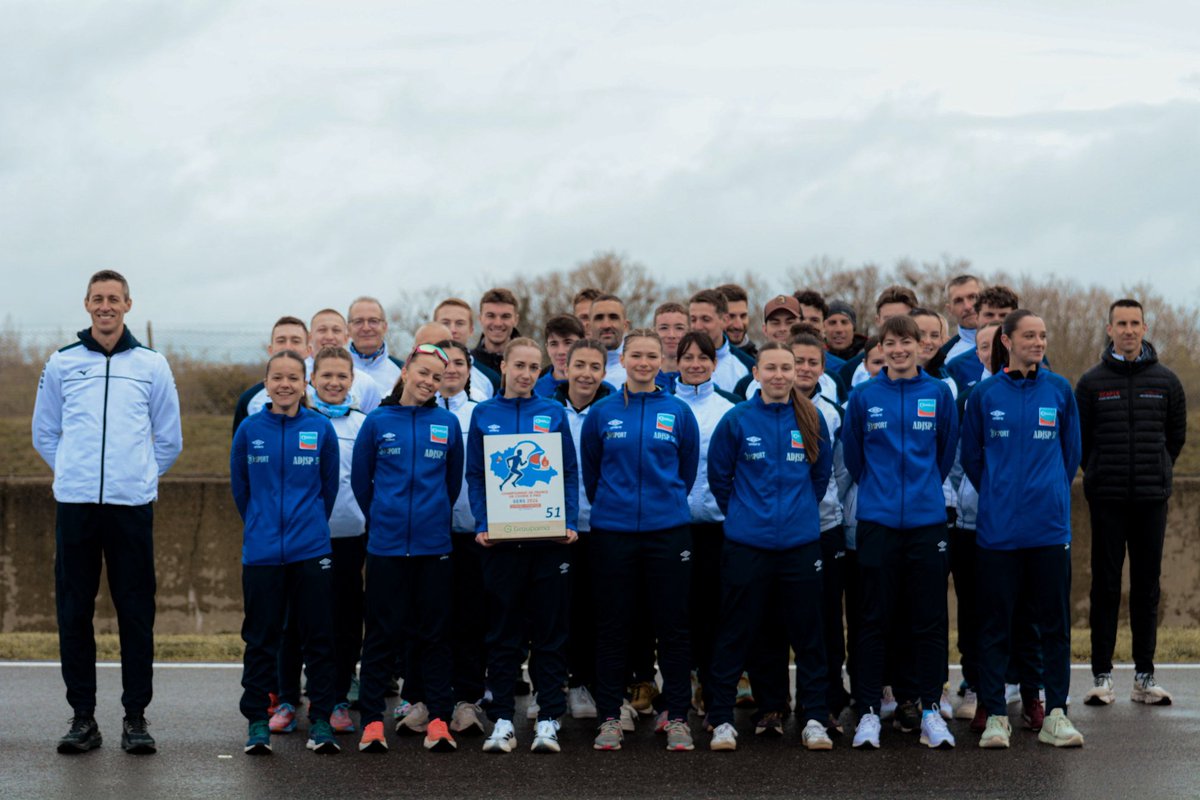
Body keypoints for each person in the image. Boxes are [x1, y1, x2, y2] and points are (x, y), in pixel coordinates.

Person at [32, 269, 183, 755]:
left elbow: (169, 440)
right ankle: (82, 718)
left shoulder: (152, 365)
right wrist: (74, 474)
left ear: (128, 305)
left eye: (113, 299)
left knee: (136, 614)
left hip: (130, 508)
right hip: (76, 507)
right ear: (86, 304)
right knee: (73, 613)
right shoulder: (61, 363)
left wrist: (136, 478)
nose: (105, 306)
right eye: (98, 299)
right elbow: (45, 433)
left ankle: (135, 718)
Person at [961, 310, 1084, 748]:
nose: (1038, 341)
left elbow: (1070, 456)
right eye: (1029, 335)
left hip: (1049, 530)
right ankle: (996, 715)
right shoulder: (984, 394)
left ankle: (1056, 714)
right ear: (1007, 342)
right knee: (995, 625)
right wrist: (999, 493)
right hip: (997, 533)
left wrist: (1046, 492)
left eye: (1043, 335)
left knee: (1053, 626)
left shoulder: (1060, 390)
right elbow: (973, 459)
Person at [705, 343, 834, 752]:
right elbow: (720, 479)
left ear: (796, 373)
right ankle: (722, 719)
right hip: (748, 545)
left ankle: (814, 718)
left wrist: (793, 518)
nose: (779, 375)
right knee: (734, 633)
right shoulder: (737, 420)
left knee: (809, 635)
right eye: (771, 368)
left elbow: (819, 478)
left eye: (786, 368)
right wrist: (748, 517)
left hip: (800, 545)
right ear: (756, 373)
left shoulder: (812, 418)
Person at [580, 330, 700, 752]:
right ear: (624, 360)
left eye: (651, 356)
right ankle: (610, 717)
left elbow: (684, 472)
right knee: (613, 627)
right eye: (637, 355)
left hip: (668, 532)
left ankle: (678, 717)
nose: (644, 362)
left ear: (660, 360)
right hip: (613, 533)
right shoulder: (601, 413)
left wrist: (660, 508)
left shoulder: (679, 412)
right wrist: (617, 508)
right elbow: (592, 475)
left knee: (673, 627)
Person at [842, 314, 958, 750]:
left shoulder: (938, 394)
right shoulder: (863, 397)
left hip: (928, 523)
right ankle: (870, 710)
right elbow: (855, 459)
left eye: (907, 342)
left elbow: (944, 454)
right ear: (882, 348)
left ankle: (930, 710)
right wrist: (883, 492)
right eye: (890, 343)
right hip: (878, 522)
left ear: (919, 346)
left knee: (929, 622)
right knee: (872, 619)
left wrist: (923, 489)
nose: (899, 350)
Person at [467, 338, 579, 754]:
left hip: (547, 542)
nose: (527, 373)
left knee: (550, 633)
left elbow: (567, 470)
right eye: (520, 365)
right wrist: (483, 522)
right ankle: (502, 722)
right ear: (504, 366)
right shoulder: (484, 413)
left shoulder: (552, 412)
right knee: (502, 635)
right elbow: (476, 475)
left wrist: (566, 521)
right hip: (500, 543)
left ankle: (549, 717)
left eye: (535, 367)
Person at [352, 343, 465, 754]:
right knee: (381, 637)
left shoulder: (447, 424)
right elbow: (360, 482)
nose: (429, 382)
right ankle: (372, 724)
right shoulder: (377, 422)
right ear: (405, 372)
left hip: (434, 546)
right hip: (386, 547)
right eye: (423, 373)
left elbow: (451, 486)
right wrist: (384, 517)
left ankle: (437, 719)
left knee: (435, 636)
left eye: (437, 377)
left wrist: (431, 518)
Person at [1076, 299, 1187, 706]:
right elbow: (1081, 442)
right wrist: (1101, 471)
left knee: (1146, 587)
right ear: (1109, 329)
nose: (1127, 329)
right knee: (1105, 586)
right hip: (1106, 499)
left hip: (1150, 500)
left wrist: (1155, 470)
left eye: (1134, 323)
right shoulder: (1090, 382)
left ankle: (1144, 675)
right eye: (1120, 323)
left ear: (1144, 328)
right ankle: (1102, 676)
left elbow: (1174, 439)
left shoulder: (1166, 381)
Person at [230, 349, 341, 756]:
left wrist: (307, 525)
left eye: (293, 377)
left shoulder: (321, 429)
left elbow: (327, 490)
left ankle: (323, 722)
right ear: (266, 382)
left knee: (319, 638)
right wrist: (261, 525)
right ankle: (258, 721)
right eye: (277, 377)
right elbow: (242, 490)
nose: (285, 384)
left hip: (310, 549)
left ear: (304, 383)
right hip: (261, 553)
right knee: (261, 639)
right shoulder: (248, 430)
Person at [268, 347, 370, 737]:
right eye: (326, 375)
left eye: (342, 376)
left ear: (352, 380)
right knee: (294, 622)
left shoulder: (364, 424)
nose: (334, 382)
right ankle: (289, 698)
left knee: (343, 621)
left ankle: (338, 696)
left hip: (350, 538)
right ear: (312, 379)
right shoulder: (301, 422)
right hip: (304, 538)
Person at [671, 332, 738, 720]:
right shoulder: (664, 405)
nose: (695, 363)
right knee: (678, 613)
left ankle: (715, 690)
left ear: (714, 363)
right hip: (673, 527)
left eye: (703, 357)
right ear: (676, 362)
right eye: (687, 356)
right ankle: (681, 690)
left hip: (718, 526)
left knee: (716, 611)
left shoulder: (729, 408)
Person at [555, 339, 614, 720]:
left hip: (601, 523)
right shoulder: (547, 409)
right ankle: (558, 685)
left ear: (605, 373)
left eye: (595, 366)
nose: (586, 374)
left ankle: (590, 685)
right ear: (564, 367)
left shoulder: (613, 409)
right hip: (553, 524)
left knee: (599, 609)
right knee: (558, 610)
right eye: (580, 365)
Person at [433, 339, 490, 736]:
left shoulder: (483, 415)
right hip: (427, 536)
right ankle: (426, 698)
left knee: (472, 620)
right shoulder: (417, 414)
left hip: (474, 534)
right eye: (443, 363)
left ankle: (467, 700)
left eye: (458, 362)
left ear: (470, 370)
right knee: (431, 619)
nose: (451, 369)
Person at [233, 313, 382, 436]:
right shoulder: (249, 399)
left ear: (308, 350)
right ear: (270, 349)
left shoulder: (322, 397)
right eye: (281, 340)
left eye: (296, 341)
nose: (288, 347)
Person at [838, 286, 919, 389]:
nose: (896, 325)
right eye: (888, 319)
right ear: (877, 320)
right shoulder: (850, 369)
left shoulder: (934, 364)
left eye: (903, 319)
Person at [943, 286, 1020, 394]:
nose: (996, 320)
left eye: (1003, 315)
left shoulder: (1030, 361)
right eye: (989, 315)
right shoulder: (956, 366)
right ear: (977, 317)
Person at [688, 289, 755, 394]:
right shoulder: (678, 362)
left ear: (725, 320)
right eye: (693, 320)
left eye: (706, 319)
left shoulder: (748, 366)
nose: (698, 326)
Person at [433, 297, 501, 399]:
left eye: (460, 323)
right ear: (434, 327)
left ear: (471, 329)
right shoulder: (417, 374)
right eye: (446, 323)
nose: (453, 329)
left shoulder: (490, 379)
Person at [347, 296, 405, 396]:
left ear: (385, 327)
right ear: (348, 328)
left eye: (373, 321)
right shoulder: (334, 370)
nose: (366, 328)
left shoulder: (403, 372)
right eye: (358, 321)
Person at [933, 275, 982, 368]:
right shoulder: (944, 358)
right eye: (958, 301)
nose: (967, 306)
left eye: (972, 297)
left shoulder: (1012, 343)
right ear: (949, 309)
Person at [471, 287, 521, 375]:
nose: (498, 323)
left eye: (505, 316)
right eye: (491, 316)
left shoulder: (529, 364)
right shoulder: (469, 364)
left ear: (516, 320)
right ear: (480, 319)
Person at [535, 314, 586, 398]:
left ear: (583, 344)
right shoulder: (533, 391)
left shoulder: (601, 390)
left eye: (568, 343)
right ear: (547, 348)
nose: (561, 351)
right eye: (554, 344)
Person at [589, 293, 632, 388]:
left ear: (625, 325)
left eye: (613, 317)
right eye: (599, 318)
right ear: (589, 327)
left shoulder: (641, 368)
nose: (606, 325)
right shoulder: (576, 370)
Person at [653, 301, 689, 391]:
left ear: (689, 332)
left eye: (679, 328)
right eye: (664, 328)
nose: (671, 335)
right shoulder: (643, 380)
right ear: (654, 332)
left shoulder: (700, 379)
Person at [716, 283, 756, 357]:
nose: (738, 325)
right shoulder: (699, 361)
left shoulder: (757, 361)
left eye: (743, 316)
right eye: (731, 316)